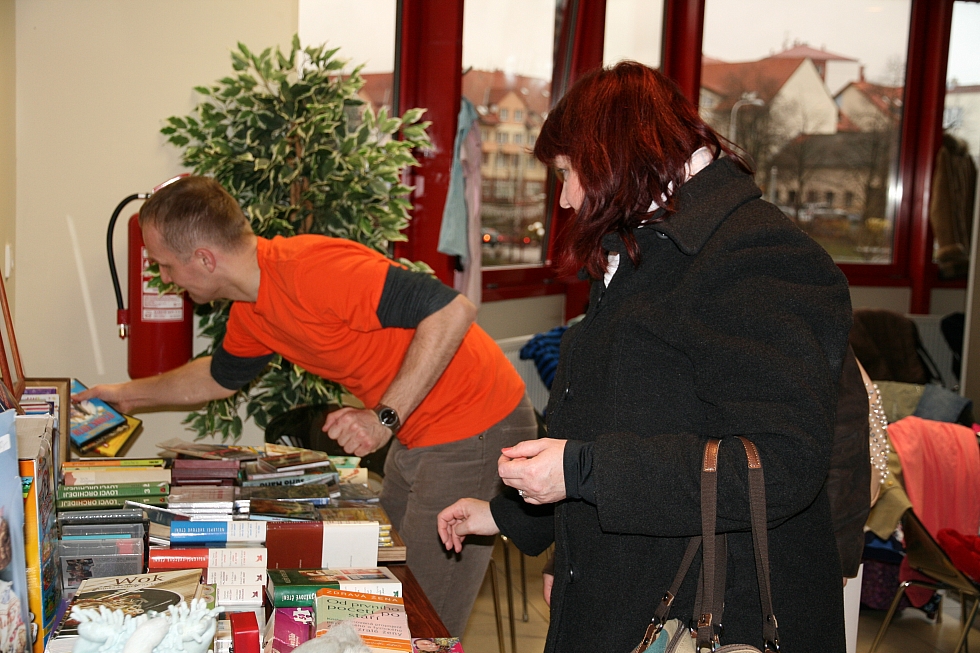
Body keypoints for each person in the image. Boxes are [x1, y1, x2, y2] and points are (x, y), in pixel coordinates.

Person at [437, 62, 853, 652]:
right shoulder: (643, 246)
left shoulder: (758, 255)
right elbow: (634, 420)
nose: (566, 198)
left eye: (568, 173)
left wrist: (581, 470)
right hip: (628, 589)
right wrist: (514, 517)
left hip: (710, 615)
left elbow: (780, 464)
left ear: (613, 157)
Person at [76, 176, 537, 636]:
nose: (165, 278)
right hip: (421, 430)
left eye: (165, 265)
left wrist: (383, 417)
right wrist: (123, 395)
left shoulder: (311, 269)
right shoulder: (252, 310)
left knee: (422, 624)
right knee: (386, 590)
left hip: (477, 422)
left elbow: (453, 310)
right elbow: (217, 377)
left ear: (204, 259)